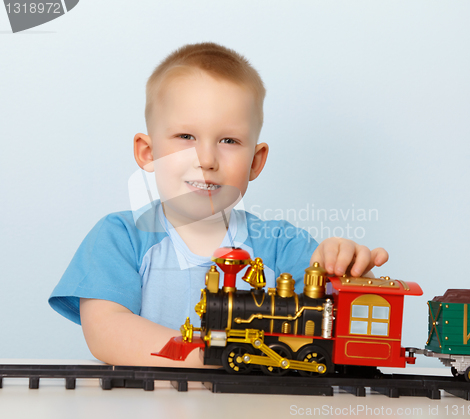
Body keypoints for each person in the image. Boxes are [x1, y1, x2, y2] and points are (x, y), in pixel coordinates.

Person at [49, 43, 388, 367]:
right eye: (186, 137)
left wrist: (352, 272)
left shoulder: (285, 246)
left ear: (256, 162)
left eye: (229, 140)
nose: (206, 159)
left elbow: (338, 323)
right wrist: (211, 357)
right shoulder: (120, 236)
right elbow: (106, 331)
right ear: (147, 153)